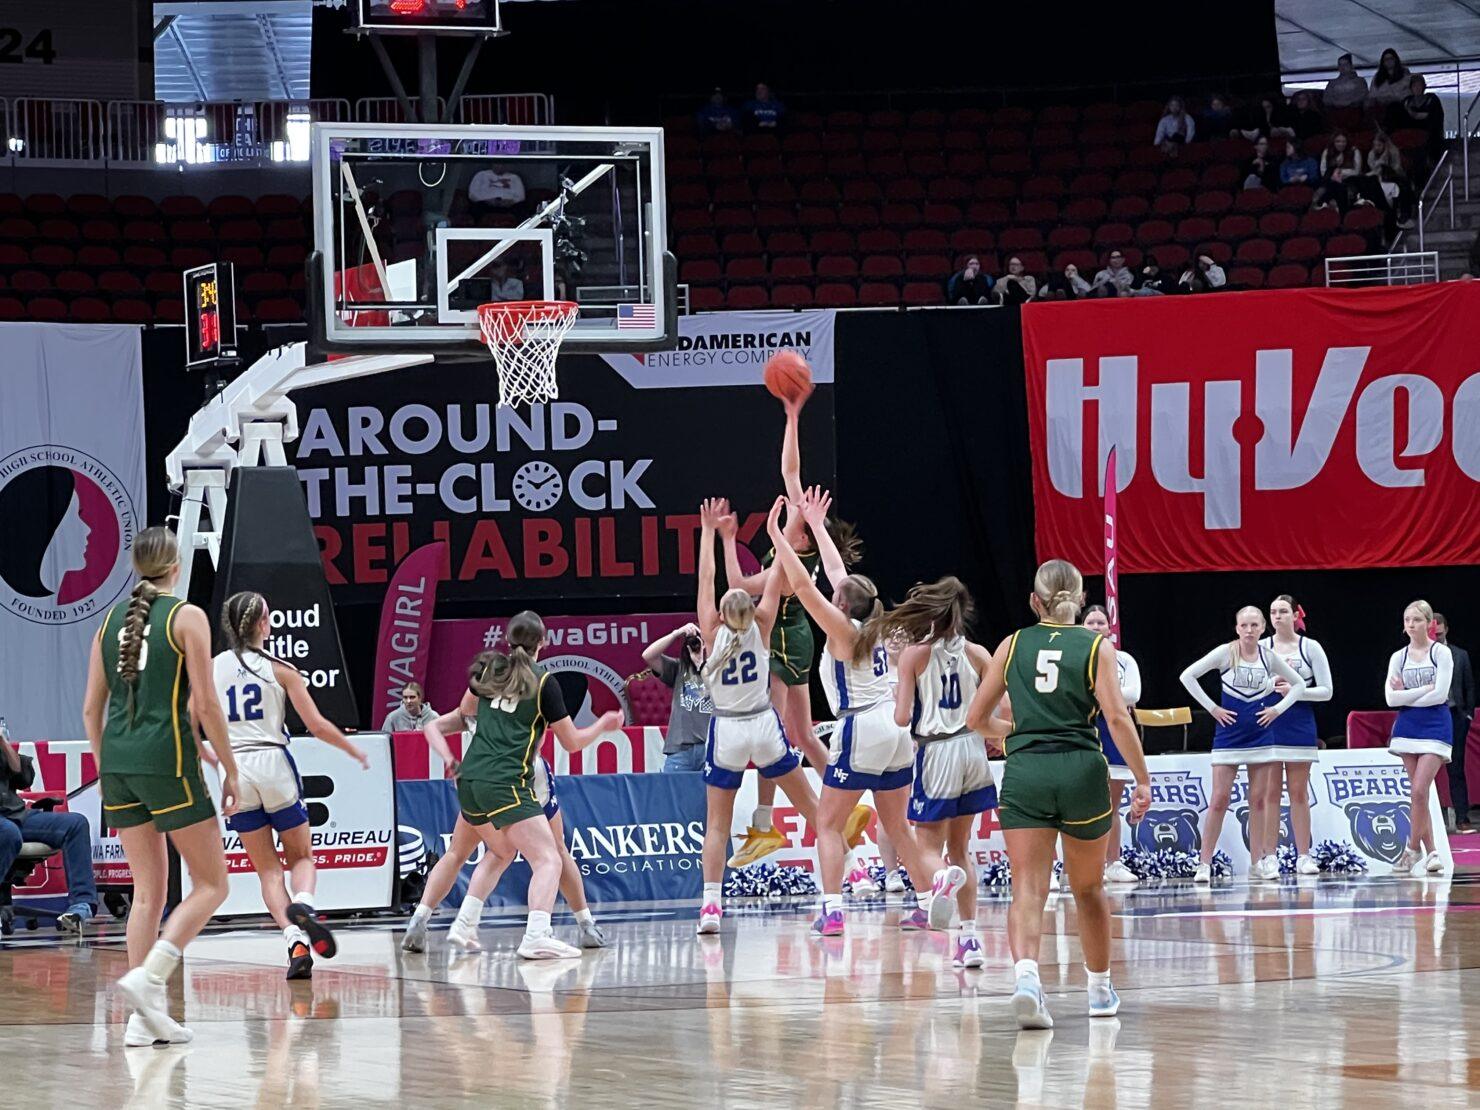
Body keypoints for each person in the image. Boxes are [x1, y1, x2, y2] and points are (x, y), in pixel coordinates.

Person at [965, 559, 1151, 1029]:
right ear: (1082, 600)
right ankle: (1099, 990)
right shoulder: (1097, 646)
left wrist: (1015, 733)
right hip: (1081, 770)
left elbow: (976, 719)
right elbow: (1116, 717)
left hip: (1027, 771)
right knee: (1089, 888)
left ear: (1035, 601)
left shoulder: (1012, 644)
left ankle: (1028, 979)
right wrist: (1142, 778)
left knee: (1029, 887)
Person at [80, 526, 240, 1048]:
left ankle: (141, 1020)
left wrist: (106, 768)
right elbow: (206, 704)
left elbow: (91, 710)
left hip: (118, 764)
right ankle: (149, 981)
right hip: (166, 758)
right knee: (213, 884)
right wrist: (231, 768)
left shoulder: (109, 623)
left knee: (147, 893)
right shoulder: (187, 616)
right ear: (176, 567)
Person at [767, 497, 943, 937]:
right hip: (896, 729)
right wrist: (815, 525)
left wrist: (778, 537)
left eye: (837, 596)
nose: (833, 593)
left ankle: (832, 911)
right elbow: (836, 572)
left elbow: (804, 585)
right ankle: (926, 902)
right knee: (898, 826)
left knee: (828, 824)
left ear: (842, 605)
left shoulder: (842, 630)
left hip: (861, 726)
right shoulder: (877, 622)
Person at [719, 395, 870, 871]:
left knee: (774, 731)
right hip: (799, 633)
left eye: (802, 518)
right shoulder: (795, 536)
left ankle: (765, 823)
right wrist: (791, 418)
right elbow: (790, 473)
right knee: (802, 733)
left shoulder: (792, 559)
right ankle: (849, 805)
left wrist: (726, 542)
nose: (799, 508)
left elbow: (740, 585)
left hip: (783, 636)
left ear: (804, 536)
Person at [422, 611, 623, 957]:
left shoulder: (490, 669)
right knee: (550, 857)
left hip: (470, 778)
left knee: (496, 852)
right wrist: (603, 725)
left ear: (507, 639)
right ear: (543, 641)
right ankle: (538, 935)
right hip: (508, 780)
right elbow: (572, 742)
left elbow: (465, 713)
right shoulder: (543, 682)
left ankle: (462, 923)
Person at [210, 591, 369, 979]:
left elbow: (192, 718)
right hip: (272, 762)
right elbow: (316, 725)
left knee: (267, 871)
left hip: (235, 767)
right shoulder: (281, 668)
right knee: (301, 857)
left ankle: (294, 941)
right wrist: (353, 750)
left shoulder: (212, 667)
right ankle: (305, 904)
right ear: (264, 624)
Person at [695, 497, 822, 935]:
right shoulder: (764, 622)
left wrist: (710, 533)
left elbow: (707, 577)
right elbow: (780, 570)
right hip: (764, 724)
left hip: (728, 729)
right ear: (750, 611)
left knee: (717, 826)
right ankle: (853, 877)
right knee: (813, 808)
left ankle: (711, 907)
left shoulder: (710, 629)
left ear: (720, 614)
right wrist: (776, 532)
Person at [403, 727, 608, 953]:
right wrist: (603, 724)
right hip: (518, 774)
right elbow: (566, 740)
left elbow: (448, 722)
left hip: (478, 772)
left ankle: (420, 918)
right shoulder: (538, 706)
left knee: (461, 853)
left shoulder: (484, 705)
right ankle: (569, 927)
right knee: (552, 854)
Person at [891, 577, 1004, 965]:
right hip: (973, 749)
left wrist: (899, 686)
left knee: (927, 848)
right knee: (960, 849)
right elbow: (1001, 706)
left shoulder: (914, 655)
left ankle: (940, 879)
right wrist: (998, 736)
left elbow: (902, 717)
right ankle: (969, 941)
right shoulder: (979, 653)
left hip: (937, 751)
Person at [1179, 606, 1306, 883]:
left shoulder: (1268, 656)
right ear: (1237, 628)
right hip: (1229, 737)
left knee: (1258, 801)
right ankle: (1204, 863)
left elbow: (1299, 685)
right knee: (1219, 799)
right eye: (1244, 625)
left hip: (1261, 736)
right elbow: (1187, 676)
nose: (1249, 630)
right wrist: (1212, 708)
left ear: (1262, 628)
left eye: (1254, 625)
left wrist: (1277, 710)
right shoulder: (1226, 653)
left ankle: (1257, 862)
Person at [1260, 596, 1332, 876]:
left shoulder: (1310, 647)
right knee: (1270, 793)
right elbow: (1248, 687)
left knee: (1299, 792)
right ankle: (1270, 857)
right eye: (1273, 612)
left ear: (1295, 615)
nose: (1277, 616)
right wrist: (1270, 685)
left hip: (1300, 722)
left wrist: (1295, 691)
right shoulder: (1262, 647)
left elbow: (1326, 691)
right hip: (1269, 721)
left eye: (1283, 611)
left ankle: (1304, 856)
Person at [1, 729, 98, 933]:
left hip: (15, 814)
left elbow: (23, 778)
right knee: (9, 833)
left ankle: (81, 906)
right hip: (7, 826)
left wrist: (2, 741)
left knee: (75, 824)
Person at [1386, 600, 1454, 876]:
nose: (1411, 625)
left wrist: (1407, 693)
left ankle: (1413, 849)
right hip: (1407, 727)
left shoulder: (1441, 653)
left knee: (1418, 790)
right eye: (1407, 620)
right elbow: (1391, 699)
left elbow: (1441, 695)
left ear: (1429, 623)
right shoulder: (1398, 657)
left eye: (1416, 619)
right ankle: (1432, 852)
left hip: (1436, 725)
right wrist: (1424, 689)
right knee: (1418, 794)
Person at [1081, 606, 1142, 884]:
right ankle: (1078, 867)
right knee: (1081, 805)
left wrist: (1098, 695)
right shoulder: (1075, 657)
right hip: (1085, 732)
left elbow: (1134, 693)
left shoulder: (1124, 660)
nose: (1096, 627)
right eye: (1090, 622)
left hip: (1116, 733)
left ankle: (1113, 863)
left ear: (1109, 628)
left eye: (1101, 622)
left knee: (1111, 805)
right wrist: (1112, 696)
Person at [641, 623, 713, 773]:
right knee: (671, 788)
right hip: (680, 750)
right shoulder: (678, 668)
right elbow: (648, 655)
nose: (697, 646)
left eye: (700, 641)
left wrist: (701, 663)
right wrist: (676, 633)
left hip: (710, 747)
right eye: (692, 643)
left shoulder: (717, 670)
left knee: (711, 789)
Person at [1433, 614, 1475, 832]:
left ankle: (1462, 817)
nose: (1437, 637)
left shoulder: (1460, 655)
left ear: (1446, 630)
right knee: (1425, 769)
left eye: (1440, 634)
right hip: (1431, 715)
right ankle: (1427, 820)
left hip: (1455, 715)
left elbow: (1469, 686)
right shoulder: (1422, 655)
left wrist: (1468, 714)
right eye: (1434, 634)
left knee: (1456, 767)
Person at [1396, 75, 1446, 171]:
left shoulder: (1432, 99)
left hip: (1430, 133)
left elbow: (1435, 117)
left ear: (1424, 86)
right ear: (1411, 88)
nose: (1417, 88)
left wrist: (1417, 116)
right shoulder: (1406, 101)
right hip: (1411, 134)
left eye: (1419, 85)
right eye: (1414, 85)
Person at [1312, 132, 1362, 211]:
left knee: (1336, 187)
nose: (1341, 144)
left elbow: (1357, 171)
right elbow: (1323, 171)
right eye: (1338, 141)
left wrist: (1340, 171)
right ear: (1333, 142)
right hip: (1330, 180)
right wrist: (1334, 173)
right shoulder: (1327, 151)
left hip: (1348, 181)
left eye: (1343, 141)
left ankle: (1323, 201)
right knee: (1330, 181)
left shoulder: (1354, 151)